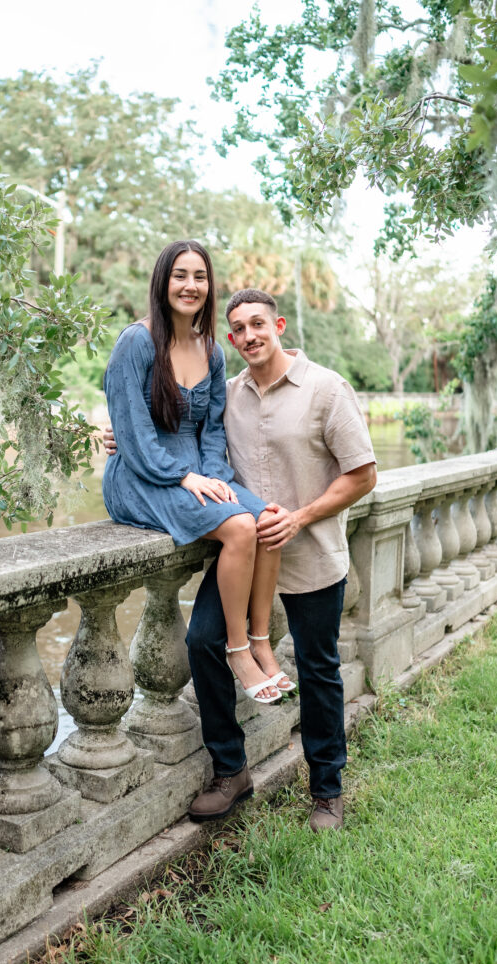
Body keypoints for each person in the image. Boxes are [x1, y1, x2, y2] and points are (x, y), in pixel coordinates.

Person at [184, 289, 377, 829]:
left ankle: (327, 792)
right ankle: (231, 771)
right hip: (244, 563)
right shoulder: (225, 396)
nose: (249, 336)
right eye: (238, 329)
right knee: (202, 641)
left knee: (318, 671)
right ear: (229, 338)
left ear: (280, 325)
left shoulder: (326, 388)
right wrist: (117, 438)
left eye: (257, 325)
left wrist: (301, 515)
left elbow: (362, 474)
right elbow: (176, 433)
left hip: (310, 554)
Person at [102, 242, 294, 704]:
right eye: (180, 275)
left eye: (200, 277)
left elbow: (212, 433)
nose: (191, 286)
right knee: (240, 527)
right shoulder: (136, 342)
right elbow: (133, 435)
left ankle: (262, 641)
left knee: (267, 518)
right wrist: (184, 478)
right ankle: (237, 649)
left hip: (199, 472)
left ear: (209, 288)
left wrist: (215, 478)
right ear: (162, 281)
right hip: (141, 475)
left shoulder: (211, 349)